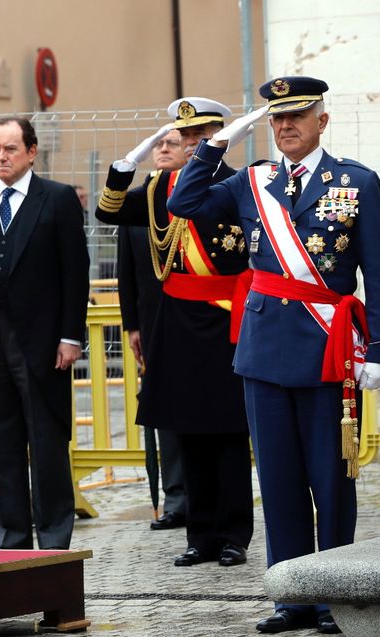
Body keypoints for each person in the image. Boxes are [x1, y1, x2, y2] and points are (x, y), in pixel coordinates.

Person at [167, 76, 380, 635]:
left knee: (330, 479)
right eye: (276, 118)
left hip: (328, 348)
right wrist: (217, 144)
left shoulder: (356, 183)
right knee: (278, 479)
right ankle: (291, 596)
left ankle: (332, 597)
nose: (286, 125)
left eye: (298, 115)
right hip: (265, 349)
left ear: (322, 119)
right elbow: (183, 201)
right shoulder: (252, 182)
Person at [96, 98, 255, 569]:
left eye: (199, 136)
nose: (189, 144)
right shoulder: (158, 187)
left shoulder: (236, 182)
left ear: (218, 136)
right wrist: (127, 166)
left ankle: (233, 535)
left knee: (228, 433)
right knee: (187, 432)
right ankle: (199, 534)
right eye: (184, 136)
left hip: (226, 317)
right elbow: (108, 213)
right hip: (177, 322)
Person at [0, 116, 89, 550]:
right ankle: (9, 540)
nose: (1, 157)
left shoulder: (58, 199)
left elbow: (76, 273)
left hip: (42, 341)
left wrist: (71, 336)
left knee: (47, 442)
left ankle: (53, 540)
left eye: (10, 149)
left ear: (31, 152)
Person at [115, 129, 188, 531]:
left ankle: (203, 496)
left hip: (197, 323)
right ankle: (175, 500)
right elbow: (127, 271)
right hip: (154, 325)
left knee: (197, 413)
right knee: (163, 414)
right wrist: (132, 326)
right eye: (158, 144)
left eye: (171, 144)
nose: (162, 149)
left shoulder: (195, 197)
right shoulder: (139, 203)